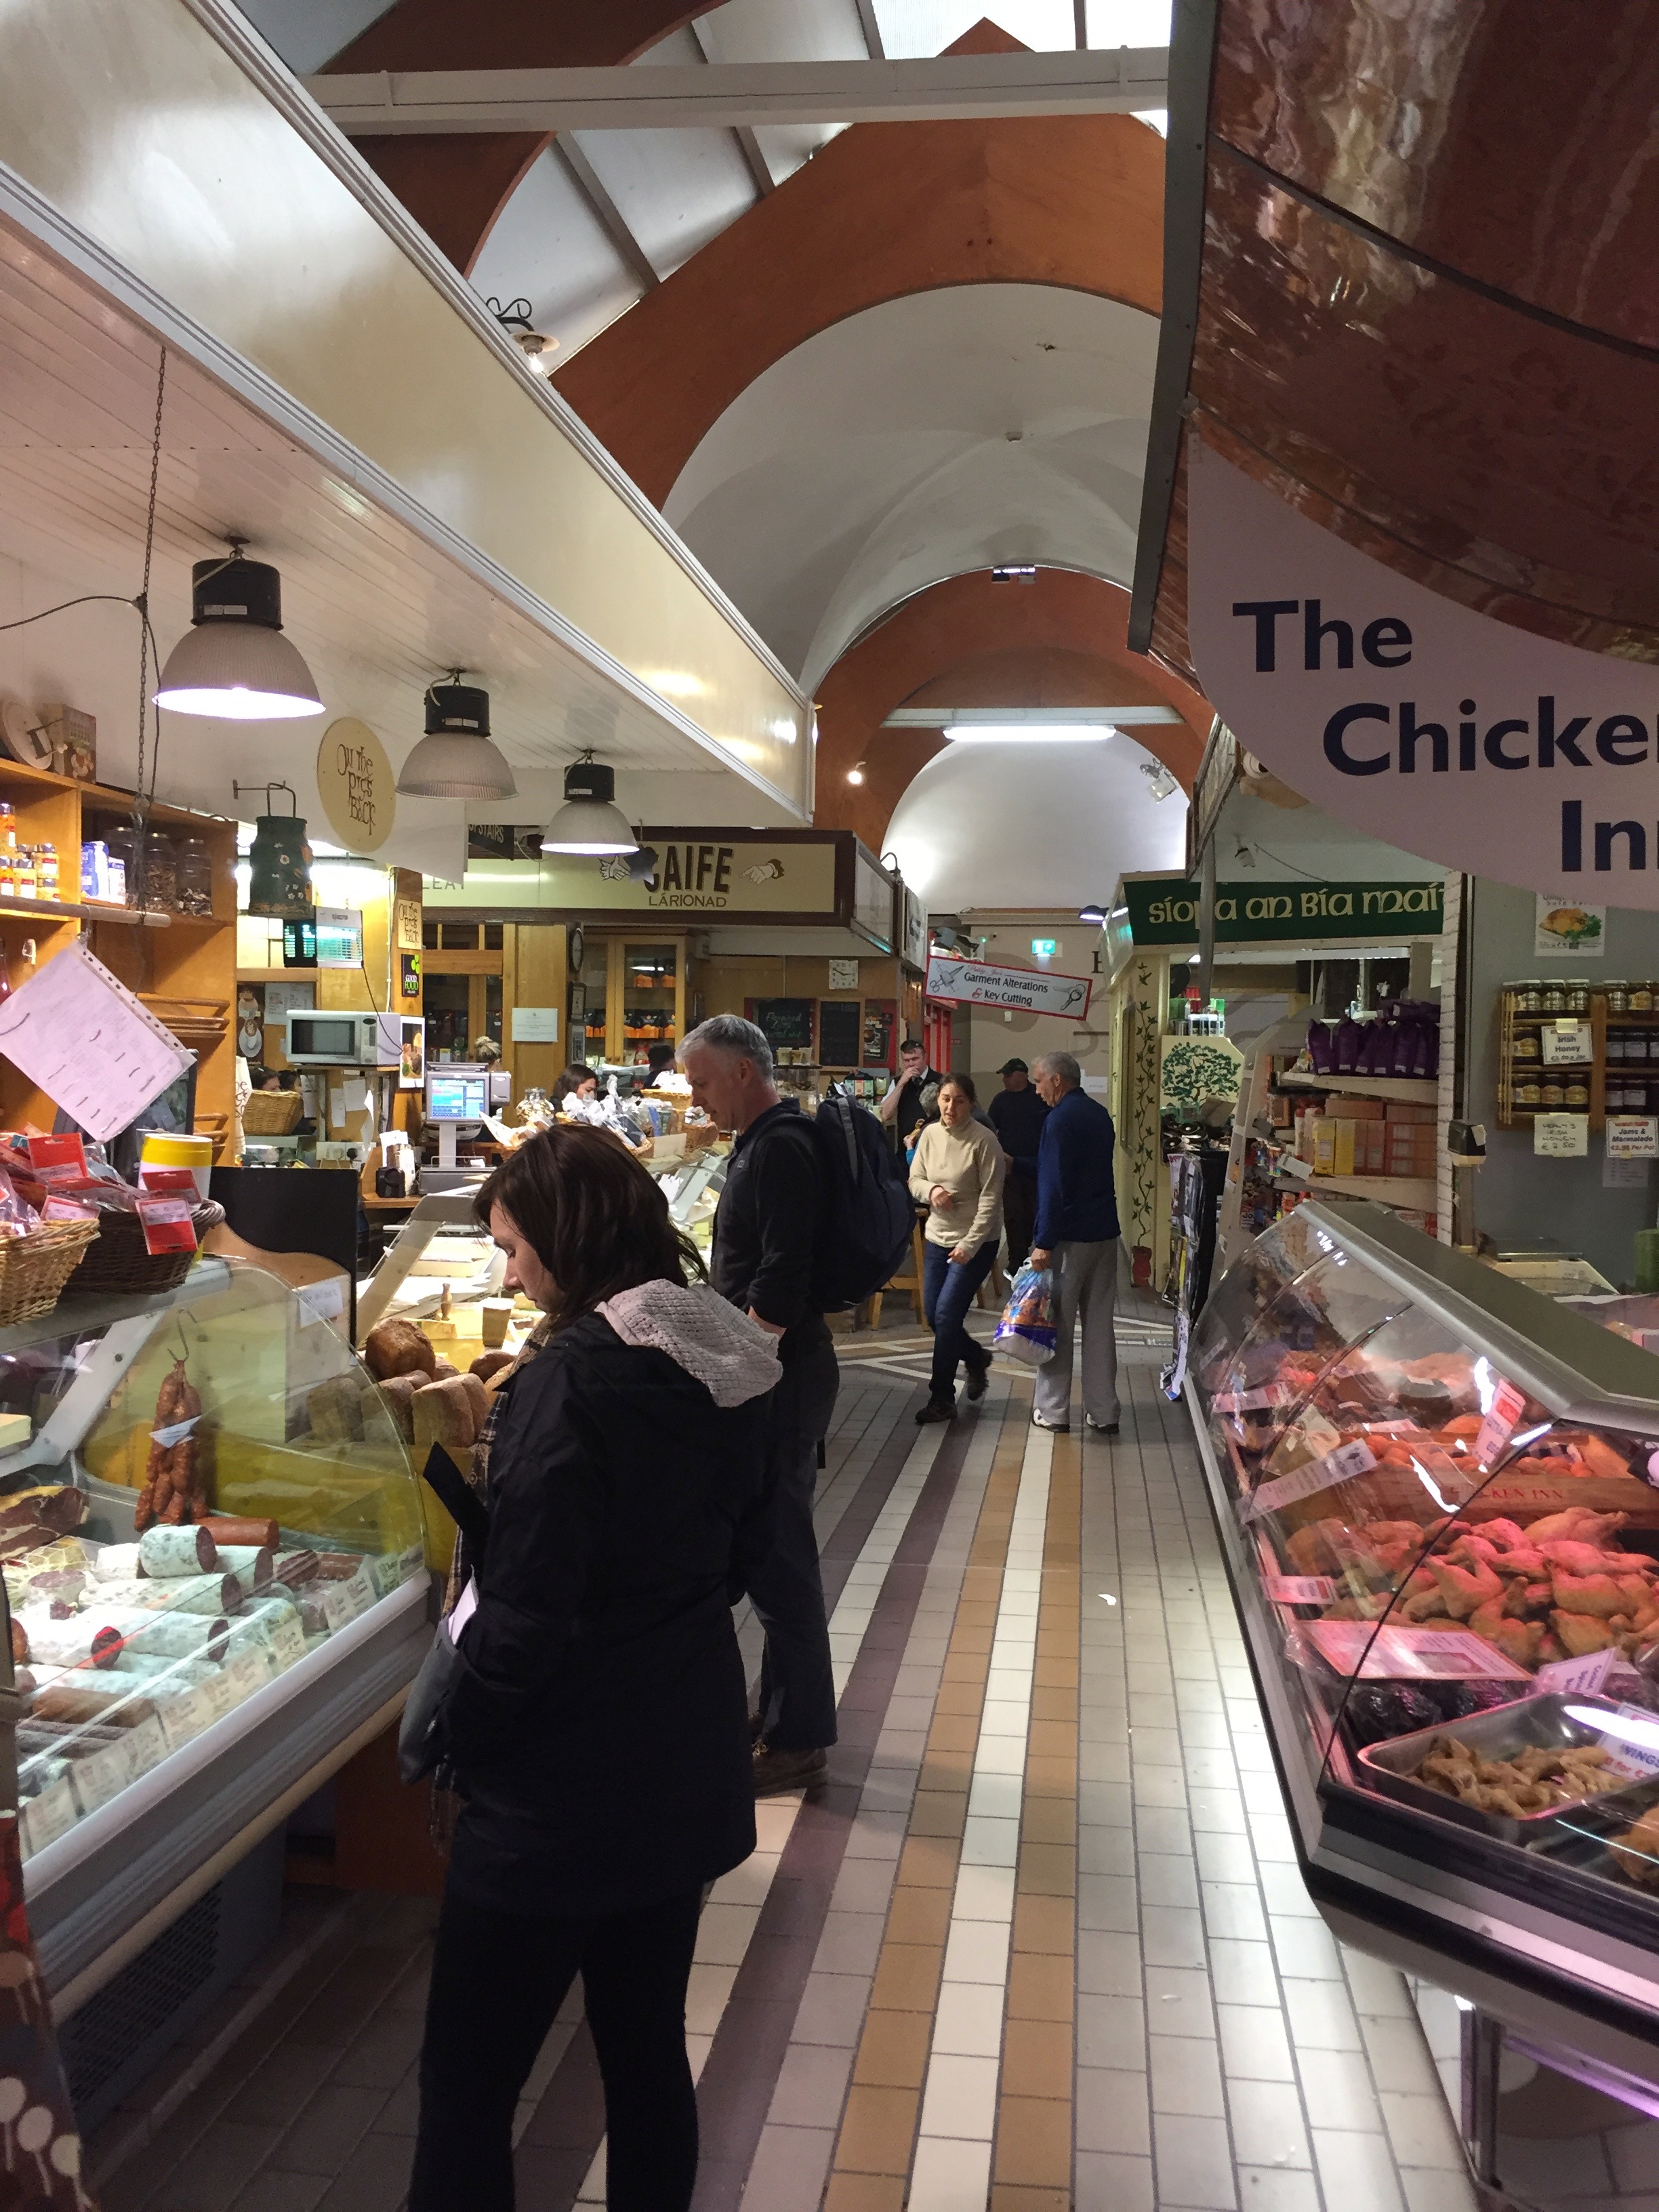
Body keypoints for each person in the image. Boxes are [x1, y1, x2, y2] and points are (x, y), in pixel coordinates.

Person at [409, 1126, 779, 2212]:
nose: (509, 1275)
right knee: (646, 2051)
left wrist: (456, 1748)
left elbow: (523, 1616)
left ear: (568, 1240)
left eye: (515, 1250)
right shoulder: (727, 1352)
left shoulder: (568, 1384)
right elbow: (751, 1553)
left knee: (468, 2084)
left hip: (556, 1799)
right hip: (683, 1756)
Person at [680, 1012, 838, 1796]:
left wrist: (740, 1356)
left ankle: (799, 1737)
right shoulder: (763, 1141)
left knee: (780, 1560)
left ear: (743, 1071)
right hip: (776, 1368)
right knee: (776, 1551)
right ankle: (781, 1713)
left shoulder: (780, 1147)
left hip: (779, 1373)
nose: (696, 1097)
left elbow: (783, 1272)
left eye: (703, 1081)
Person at [1028, 1050, 1120, 1436]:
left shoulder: (1058, 1120)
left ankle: (1053, 1411)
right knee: (1100, 1325)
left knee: (1058, 1325)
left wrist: (1043, 1241)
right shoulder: (1100, 1115)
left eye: (1039, 1081)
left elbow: (1054, 1186)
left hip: (1068, 1238)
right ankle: (1104, 1412)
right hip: (1105, 1233)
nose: (1037, 1090)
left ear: (1057, 1080)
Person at [907, 1073, 1005, 1424]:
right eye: (946, 1099)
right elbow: (914, 1179)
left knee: (948, 1317)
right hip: (938, 1237)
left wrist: (969, 1244)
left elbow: (991, 1200)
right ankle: (976, 1357)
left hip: (976, 1242)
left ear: (971, 1103)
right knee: (934, 1317)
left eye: (959, 1100)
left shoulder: (984, 1141)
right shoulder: (930, 1135)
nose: (950, 1107)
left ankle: (942, 1398)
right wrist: (932, 1191)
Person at [987, 1057, 1048, 1276]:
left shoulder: (1039, 1098)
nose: (1004, 1079)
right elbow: (989, 1130)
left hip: (1036, 1166)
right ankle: (1016, 1258)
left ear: (1022, 1076)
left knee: (1033, 1213)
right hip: (1009, 1166)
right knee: (1013, 1214)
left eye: (1008, 1075)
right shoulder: (1000, 1100)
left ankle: (1033, 1253)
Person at [878, 1037, 941, 1149]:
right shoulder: (898, 1082)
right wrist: (901, 1084)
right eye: (907, 1061)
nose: (911, 1064)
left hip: (934, 1145)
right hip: (905, 1147)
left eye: (915, 1059)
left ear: (925, 1057)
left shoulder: (940, 1080)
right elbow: (884, 1115)